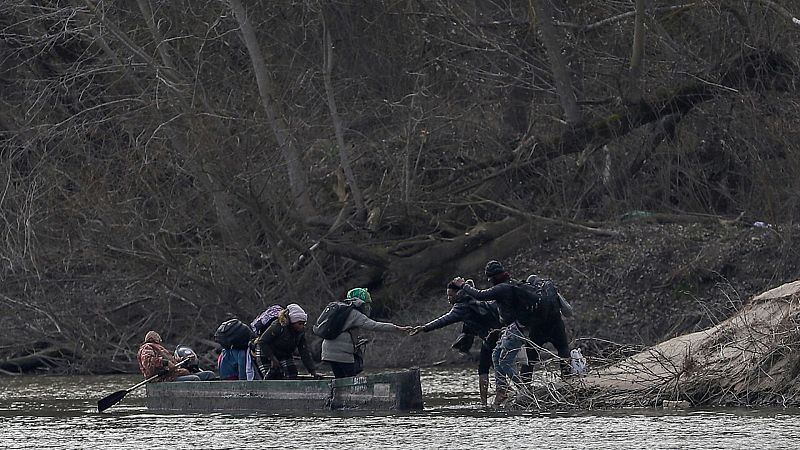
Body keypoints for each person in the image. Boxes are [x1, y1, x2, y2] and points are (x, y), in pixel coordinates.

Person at [452, 260, 570, 406]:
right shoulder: (514, 284)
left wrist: (463, 285)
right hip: (533, 325)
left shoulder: (503, 288)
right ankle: (503, 391)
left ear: (493, 277)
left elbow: (481, 295)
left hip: (521, 328)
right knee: (497, 356)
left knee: (509, 360)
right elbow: (568, 310)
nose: (489, 282)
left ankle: (524, 389)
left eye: (489, 279)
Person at [409, 279, 502, 406]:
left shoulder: (461, 307)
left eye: (451, 295)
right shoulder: (474, 296)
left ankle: (488, 401)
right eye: (447, 296)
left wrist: (424, 327)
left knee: (486, 367)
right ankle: (496, 396)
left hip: (491, 337)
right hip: (498, 333)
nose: (449, 299)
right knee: (492, 365)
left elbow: (444, 320)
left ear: (459, 294)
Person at [318, 287, 410, 378]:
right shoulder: (355, 314)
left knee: (340, 379)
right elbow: (374, 325)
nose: (367, 307)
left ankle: (337, 393)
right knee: (350, 380)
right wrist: (397, 328)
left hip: (327, 351)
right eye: (366, 304)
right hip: (342, 353)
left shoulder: (341, 310)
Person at [253, 303, 320, 379]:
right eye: (300, 324)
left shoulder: (300, 333)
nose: (302, 326)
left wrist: (312, 371)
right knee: (272, 376)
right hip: (265, 351)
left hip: (283, 352)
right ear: (292, 321)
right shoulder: (278, 326)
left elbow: (304, 352)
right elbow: (262, 341)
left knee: (292, 373)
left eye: (304, 324)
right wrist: (273, 359)